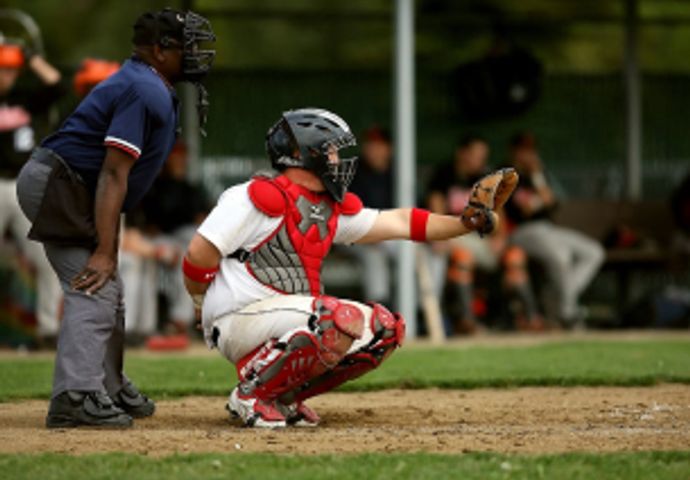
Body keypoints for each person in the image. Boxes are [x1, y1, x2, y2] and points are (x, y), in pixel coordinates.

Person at [183, 108, 511, 428]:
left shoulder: (324, 208)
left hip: (285, 320)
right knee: (336, 319)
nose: (339, 160)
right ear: (303, 153)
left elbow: (399, 222)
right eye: (332, 151)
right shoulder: (253, 196)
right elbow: (199, 254)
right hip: (239, 319)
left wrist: (464, 223)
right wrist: (200, 302)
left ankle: (282, 397)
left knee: (384, 329)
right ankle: (251, 396)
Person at [15, 8, 215, 428]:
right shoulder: (145, 89)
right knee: (94, 286)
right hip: (62, 184)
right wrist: (105, 250)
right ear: (160, 51)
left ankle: (106, 384)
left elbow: (113, 185)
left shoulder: (148, 82)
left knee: (111, 287)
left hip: (74, 185)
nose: (197, 54)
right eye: (187, 47)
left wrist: (110, 247)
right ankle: (76, 396)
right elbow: (112, 173)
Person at [427, 134, 540, 333]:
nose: (479, 161)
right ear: (462, 154)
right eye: (475, 155)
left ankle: (530, 319)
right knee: (463, 258)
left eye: (482, 156)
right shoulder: (444, 175)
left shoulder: (487, 178)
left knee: (515, 257)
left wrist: (499, 238)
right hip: (455, 236)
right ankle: (467, 321)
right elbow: (436, 213)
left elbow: (499, 216)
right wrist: (441, 236)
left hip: (483, 241)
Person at [504, 132, 604, 328]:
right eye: (524, 150)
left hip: (547, 229)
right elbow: (525, 209)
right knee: (561, 256)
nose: (529, 155)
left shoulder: (538, 174)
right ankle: (568, 313)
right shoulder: (506, 174)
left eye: (531, 150)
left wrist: (537, 176)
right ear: (514, 151)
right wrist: (539, 199)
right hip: (521, 232)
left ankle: (556, 296)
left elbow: (551, 203)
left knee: (594, 252)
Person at [0, 40, 63, 347]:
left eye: (11, 69)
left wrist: (31, 58)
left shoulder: (25, 98)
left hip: (24, 185)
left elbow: (56, 83)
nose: (6, 75)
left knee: (48, 258)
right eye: (2, 69)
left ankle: (48, 329)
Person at [348, 126, 395, 304]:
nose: (372, 149)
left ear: (388, 148)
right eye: (370, 145)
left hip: (390, 234)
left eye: (378, 145)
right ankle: (379, 312)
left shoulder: (399, 171)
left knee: (415, 252)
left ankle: (420, 310)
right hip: (357, 233)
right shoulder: (352, 171)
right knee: (374, 256)